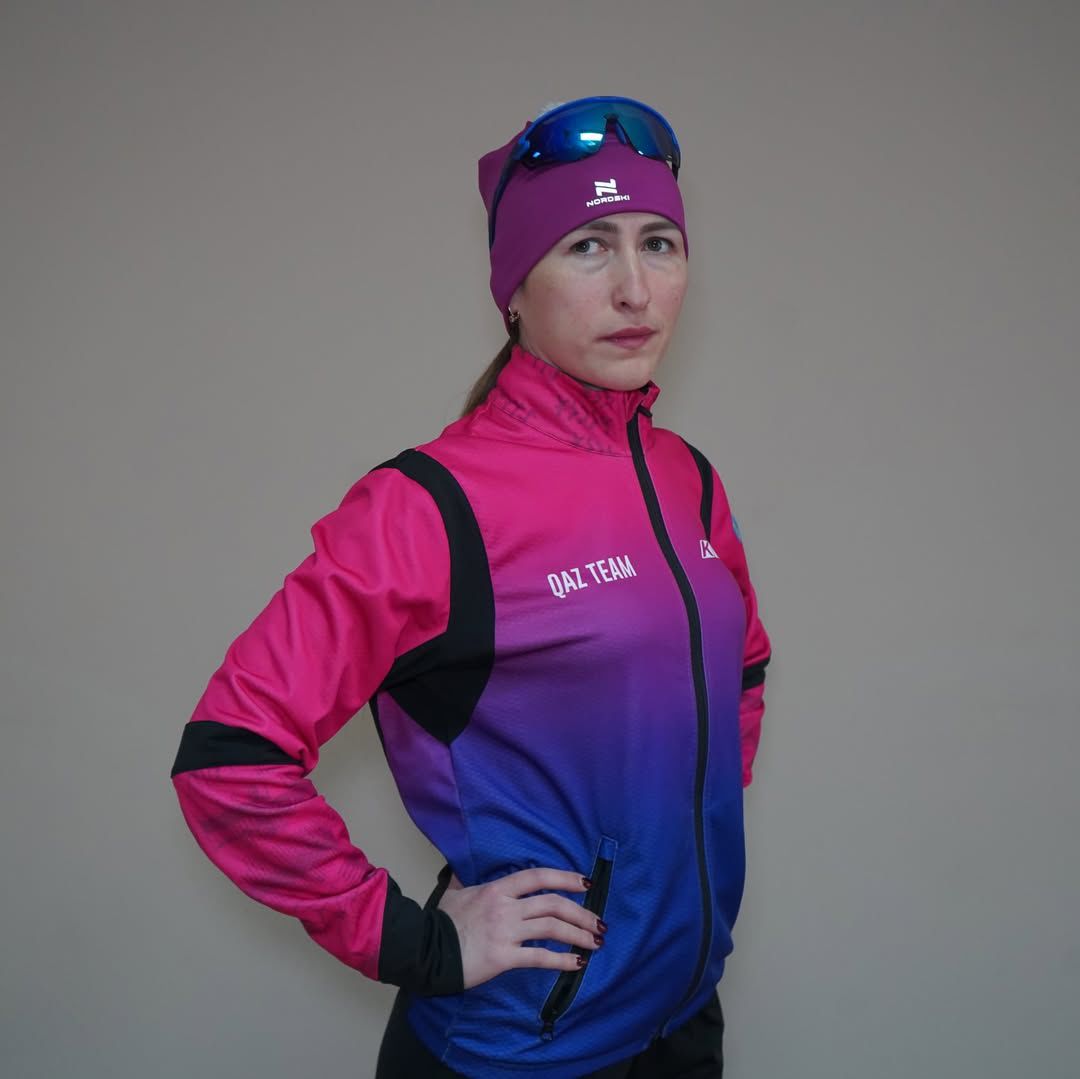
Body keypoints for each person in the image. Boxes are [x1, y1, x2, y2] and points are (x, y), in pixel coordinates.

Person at [170, 95, 771, 1078]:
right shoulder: (430, 505)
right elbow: (229, 754)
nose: (636, 289)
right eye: (588, 247)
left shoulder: (687, 481)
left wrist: (654, 842)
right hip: (519, 1049)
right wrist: (419, 942)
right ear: (515, 289)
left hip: (682, 1022)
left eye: (658, 243)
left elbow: (739, 668)